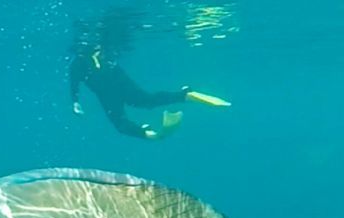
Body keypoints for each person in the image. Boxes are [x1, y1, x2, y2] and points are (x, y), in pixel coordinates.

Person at [69, 28, 230, 140]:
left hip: (107, 91)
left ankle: (149, 134)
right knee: (147, 100)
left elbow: (74, 83)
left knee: (120, 123)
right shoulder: (99, 56)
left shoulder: (76, 64)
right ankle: (185, 95)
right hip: (119, 79)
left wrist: (75, 102)